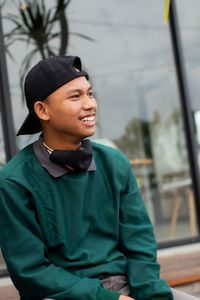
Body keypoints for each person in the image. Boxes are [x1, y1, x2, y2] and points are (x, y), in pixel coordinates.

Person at [0, 56, 198, 300]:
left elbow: (140, 245)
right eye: (75, 96)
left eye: (90, 94)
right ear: (42, 110)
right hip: (64, 295)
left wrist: (151, 295)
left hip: (129, 286)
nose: (90, 104)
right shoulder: (14, 182)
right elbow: (31, 272)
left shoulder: (114, 163)